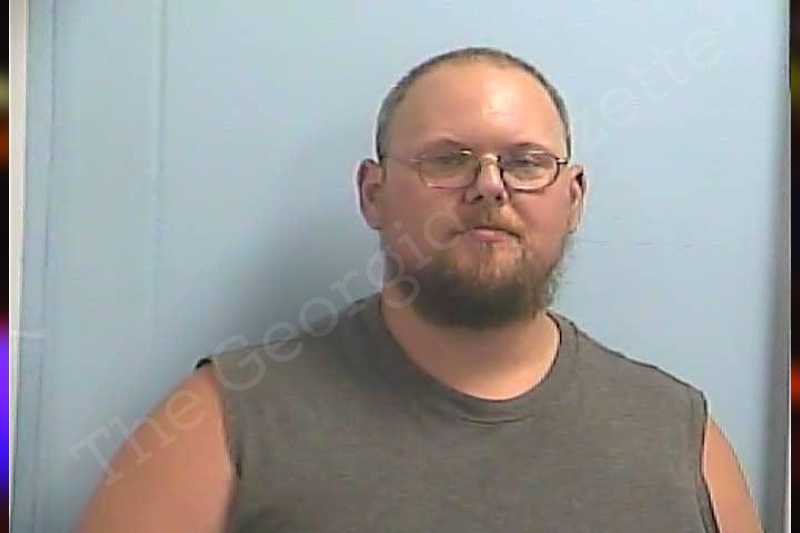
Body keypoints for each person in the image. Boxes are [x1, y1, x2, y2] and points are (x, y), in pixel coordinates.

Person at [77, 47, 762, 532]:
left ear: (573, 196)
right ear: (374, 193)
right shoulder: (226, 422)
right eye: (447, 159)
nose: (489, 186)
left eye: (526, 162)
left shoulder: (679, 437)